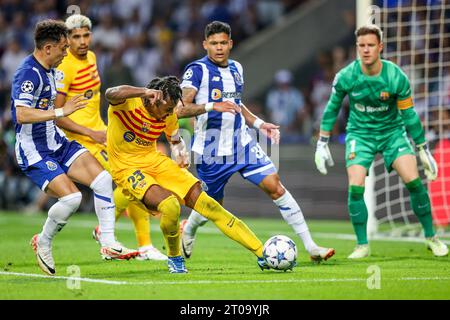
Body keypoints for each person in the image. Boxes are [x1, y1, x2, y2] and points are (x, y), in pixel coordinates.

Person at [177, 21, 335, 262]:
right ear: (205, 45)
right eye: (213, 43)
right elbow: (180, 109)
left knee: (275, 185)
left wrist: (260, 125)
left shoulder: (237, 68)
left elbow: (237, 104)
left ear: (230, 44)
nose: (219, 48)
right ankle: (189, 228)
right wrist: (211, 105)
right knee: (211, 206)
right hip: (211, 151)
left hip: (242, 144)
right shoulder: (196, 71)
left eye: (223, 43)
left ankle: (311, 247)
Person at [10, 19, 138, 276]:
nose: (66, 52)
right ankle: (43, 242)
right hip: (34, 150)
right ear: (47, 48)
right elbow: (21, 114)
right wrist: (61, 110)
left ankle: (109, 242)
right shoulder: (28, 73)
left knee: (102, 179)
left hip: (57, 142)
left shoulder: (52, 70)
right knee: (72, 199)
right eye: (62, 48)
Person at [105, 76, 269, 273]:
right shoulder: (127, 103)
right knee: (170, 206)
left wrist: (179, 153)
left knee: (209, 205)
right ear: (154, 99)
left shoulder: (169, 114)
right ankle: (175, 258)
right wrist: (142, 91)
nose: (169, 114)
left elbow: (174, 140)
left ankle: (262, 253)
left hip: (155, 161)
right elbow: (110, 93)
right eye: (166, 110)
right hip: (126, 167)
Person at [314, 24, 448, 258]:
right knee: (355, 187)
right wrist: (322, 142)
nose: (366, 50)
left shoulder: (395, 76)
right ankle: (362, 245)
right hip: (359, 135)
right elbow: (332, 108)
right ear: (357, 48)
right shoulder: (347, 76)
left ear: (380, 47)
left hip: (392, 134)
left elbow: (409, 114)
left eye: (371, 45)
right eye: (361, 46)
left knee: (414, 182)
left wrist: (422, 148)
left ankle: (431, 237)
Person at [54, 14, 166, 261]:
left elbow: (94, 101)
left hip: (101, 133)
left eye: (86, 35)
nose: (82, 41)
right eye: (76, 37)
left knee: (135, 178)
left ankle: (119, 238)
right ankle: (119, 240)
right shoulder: (65, 67)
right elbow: (58, 115)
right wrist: (90, 132)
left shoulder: (93, 58)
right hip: (81, 140)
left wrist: (104, 128)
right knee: (132, 179)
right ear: (67, 39)